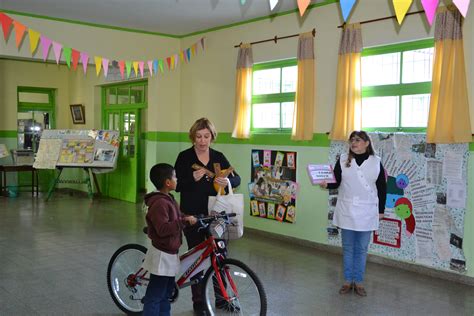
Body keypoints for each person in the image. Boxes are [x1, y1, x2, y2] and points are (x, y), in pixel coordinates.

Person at [174, 117, 241, 315]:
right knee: (197, 260)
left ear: (212, 137)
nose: (202, 141)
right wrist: (191, 179)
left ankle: (222, 299)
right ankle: (199, 303)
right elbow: (176, 184)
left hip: (216, 214)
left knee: (219, 256)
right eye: (198, 137)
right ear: (193, 137)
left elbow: (237, 178)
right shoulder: (184, 157)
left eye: (206, 136)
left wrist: (227, 178)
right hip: (192, 215)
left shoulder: (218, 156)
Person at [319, 131, 386, 297]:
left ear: (366, 143)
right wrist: (326, 185)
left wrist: (381, 211)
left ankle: (359, 282)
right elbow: (336, 181)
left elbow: (383, 188)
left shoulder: (376, 162)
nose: (354, 143)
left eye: (358, 140)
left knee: (361, 249)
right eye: (351, 141)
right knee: (348, 248)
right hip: (347, 210)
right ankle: (348, 281)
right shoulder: (342, 160)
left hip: (367, 210)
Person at [141, 163, 197, 316]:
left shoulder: (169, 199)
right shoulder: (159, 203)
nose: (177, 179)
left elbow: (178, 216)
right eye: (175, 176)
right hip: (162, 255)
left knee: (166, 294)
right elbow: (163, 229)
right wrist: (183, 222)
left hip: (170, 253)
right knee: (155, 295)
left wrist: (188, 218)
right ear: (167, 182)